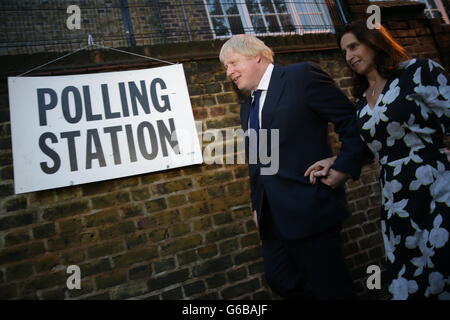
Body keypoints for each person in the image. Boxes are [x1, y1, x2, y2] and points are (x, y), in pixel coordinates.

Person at [306, 20, 450, 300]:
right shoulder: (360, 101)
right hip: (395, 198)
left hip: (436, 184)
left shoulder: (419, 71)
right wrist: (333, 161)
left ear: (374, 42)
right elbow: (372, 149)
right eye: (344, 52)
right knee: (410, 275)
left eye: (353, 46)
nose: (349, 56)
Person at [219, 34, 366, 299]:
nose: (229, 72)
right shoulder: (248, 107)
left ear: (256, 56)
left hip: (309, 205)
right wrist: (257, 205)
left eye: (232, 63)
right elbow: (259, 162)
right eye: (226, 67)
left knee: (331, 289)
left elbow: (351, 122)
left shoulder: (301, 77)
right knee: (281, 280)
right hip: (272, 216)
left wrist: (343, 166)